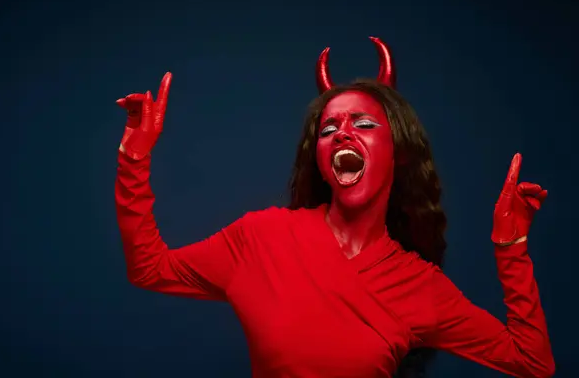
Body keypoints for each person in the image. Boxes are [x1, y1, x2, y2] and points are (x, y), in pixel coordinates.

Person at [114, 37, 555, 378]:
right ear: (321, 162)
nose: (344, 133)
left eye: (363, 124)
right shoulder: (261, 237)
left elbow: (532, 364)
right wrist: (134, 157)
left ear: (397, 153)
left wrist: (510, 246)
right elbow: (150, 269)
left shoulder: (420, 286)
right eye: (329, 128)